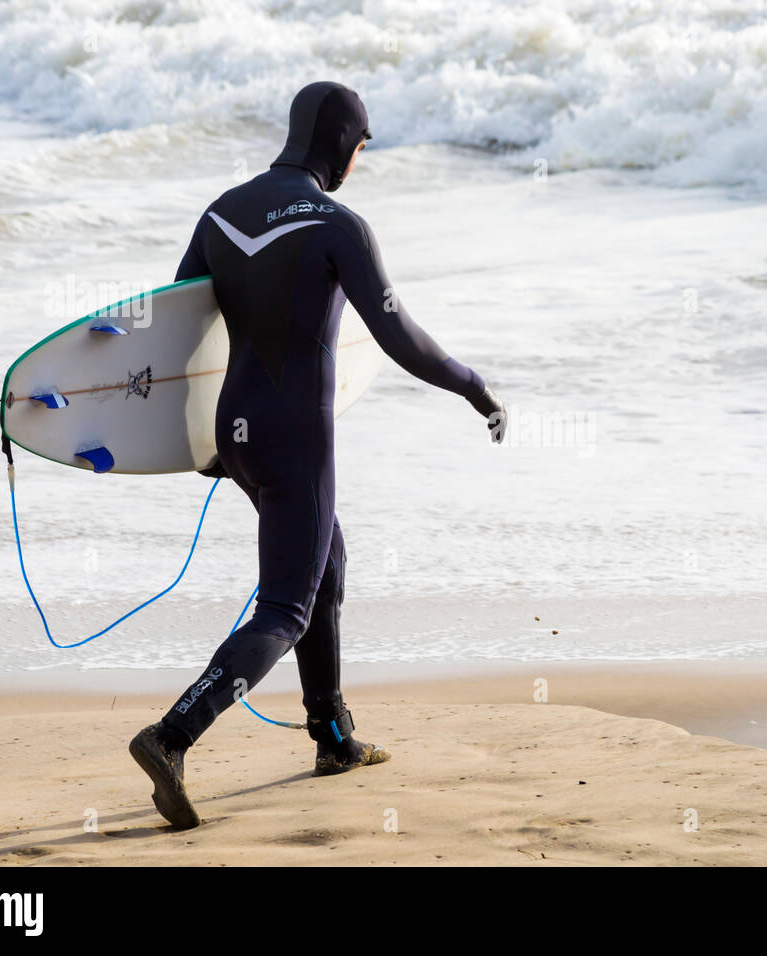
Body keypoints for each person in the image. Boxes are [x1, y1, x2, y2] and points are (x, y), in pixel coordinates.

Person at [129, 81, 506, 829]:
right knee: (285, 606)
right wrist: (474, 386)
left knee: (324, 558)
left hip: (236, 429)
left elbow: (180, 334)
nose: (358, 163)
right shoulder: (339, 224)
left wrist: (201, 442)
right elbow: (401, 338)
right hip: (297, 432)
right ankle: (172, 737)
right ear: (342, 142)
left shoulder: (221, 211)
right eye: (361, 148)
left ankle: (332, 736)